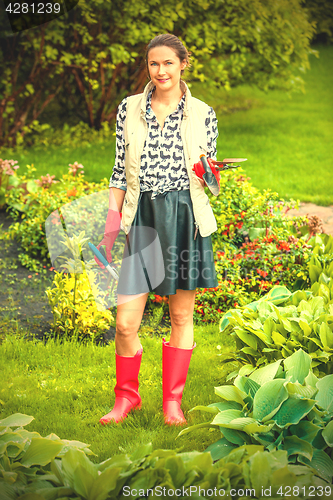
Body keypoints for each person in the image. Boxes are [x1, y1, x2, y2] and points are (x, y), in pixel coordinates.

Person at [97, 33, 219, 426]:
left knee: (181, 316)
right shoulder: (129, 109)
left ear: (184, 63)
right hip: (143, 217)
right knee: (125, 321)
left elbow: (211, 181)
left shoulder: (203, 113)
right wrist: (110, 230)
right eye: (154, 63)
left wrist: (211, 173)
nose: (161, 70)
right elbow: (118, 171)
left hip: (185, 217)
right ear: (147, 67)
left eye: (168, 62)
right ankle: (127, 397)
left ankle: (172, 402)